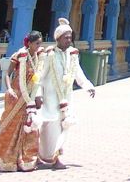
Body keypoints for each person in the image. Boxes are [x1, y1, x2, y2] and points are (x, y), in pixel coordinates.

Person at [36, 18, 96, 168]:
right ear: (58, 38)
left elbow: (77, 73)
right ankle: (42, 155)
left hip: (66, 97)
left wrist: (87, 85)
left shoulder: (73, 54)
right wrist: (38, 95)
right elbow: (39, 76)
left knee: (64, 126)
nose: (69, 40)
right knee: (50, 127)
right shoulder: (49, 55)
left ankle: (55, 157)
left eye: (70, 37)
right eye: (66, 37)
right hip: (50, 98)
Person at [0, 31, 44, 172]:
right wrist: (9, 89)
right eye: (36, 43)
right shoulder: (20, 55)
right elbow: (7, 74)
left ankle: (26, 159)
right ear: (29, 43)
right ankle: (2, 157)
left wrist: (37, 95)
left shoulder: (39, 56)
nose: (39, 46)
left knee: (29, 127)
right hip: (16, 96)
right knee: (11, 128)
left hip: (29, 97)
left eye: (40, 43)